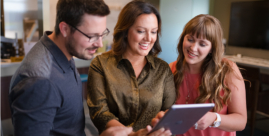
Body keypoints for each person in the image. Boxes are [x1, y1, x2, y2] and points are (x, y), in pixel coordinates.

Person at [8, 0, 121, 135]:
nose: (99, 43)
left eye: (102, 34)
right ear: (65, 29)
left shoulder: (64, 52)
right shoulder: (40, 81)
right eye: (92, 36)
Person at [87, 0, 176, 135]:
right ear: (125, 30)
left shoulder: (162, 69)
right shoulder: (101, 64)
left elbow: (169, 110)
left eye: (153, 32)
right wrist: (132, 134)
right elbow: (99, 112)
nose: (148, 38)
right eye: (141, 31)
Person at [151, 14, 247, 136]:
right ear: (183, 39)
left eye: (202, 44)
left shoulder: (228, 70)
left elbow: (241, 122)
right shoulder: (170, 69)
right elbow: (163, 113)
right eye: (190, 39)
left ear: (212, 48)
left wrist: (214, 118)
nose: (193, 48)